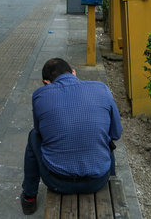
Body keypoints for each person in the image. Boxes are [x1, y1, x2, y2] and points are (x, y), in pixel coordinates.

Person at [20, 58, 122, 215]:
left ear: (46, 82)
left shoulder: (39, 95)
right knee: (106, 139)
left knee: (33, 136)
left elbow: (40, 132)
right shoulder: (101, 88)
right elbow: (116, 133)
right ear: (74, 72)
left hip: (57, 181)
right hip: (98, 180)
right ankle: (111, 179)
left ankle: (29, 198)